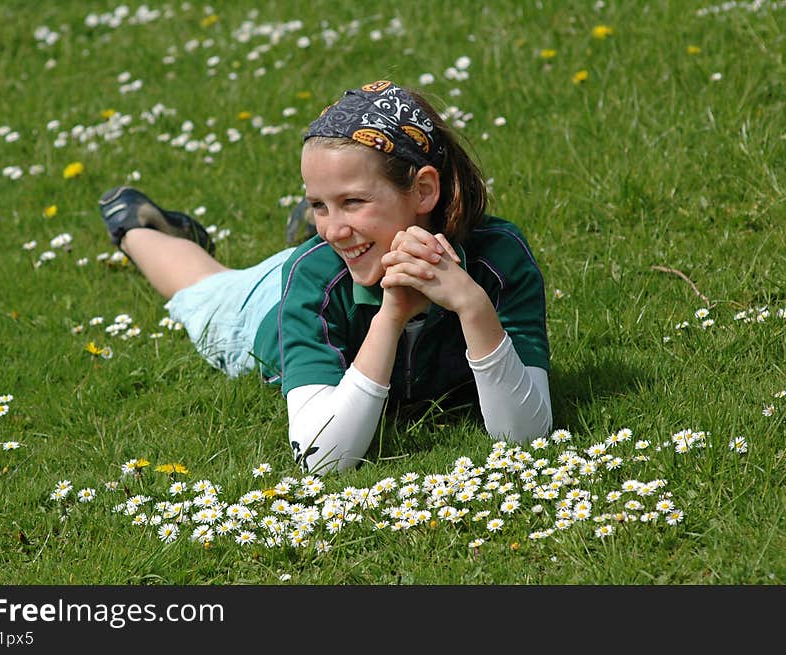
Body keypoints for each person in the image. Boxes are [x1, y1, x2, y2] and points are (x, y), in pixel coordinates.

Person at [97, 79, 552, 475]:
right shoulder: (311, 277)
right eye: (320, 205)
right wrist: (390, 316)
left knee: (336, 240)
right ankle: (135, 227)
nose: (332, 226)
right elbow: (321, 459)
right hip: (269, 304)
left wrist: (472, 306)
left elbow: (526, 437)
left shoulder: (498, 259)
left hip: (351, 257)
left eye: (352, 201)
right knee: (203, 288)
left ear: (423, 190)